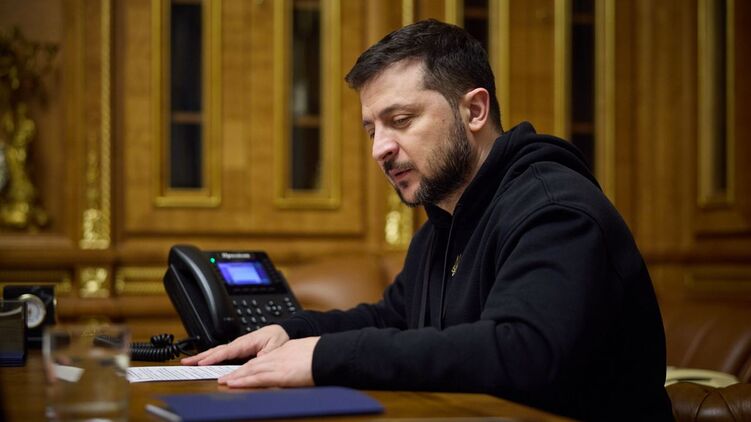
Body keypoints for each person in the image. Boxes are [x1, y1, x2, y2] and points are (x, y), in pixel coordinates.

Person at [183, 19, 673, 420]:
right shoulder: (443, 222)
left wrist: (325, 358)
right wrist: (294, 333)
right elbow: (392, 319)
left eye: (400, 121)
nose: (379, 149)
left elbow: (522, 351)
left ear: (474, 110)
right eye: (371, 130)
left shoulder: (556, 212)